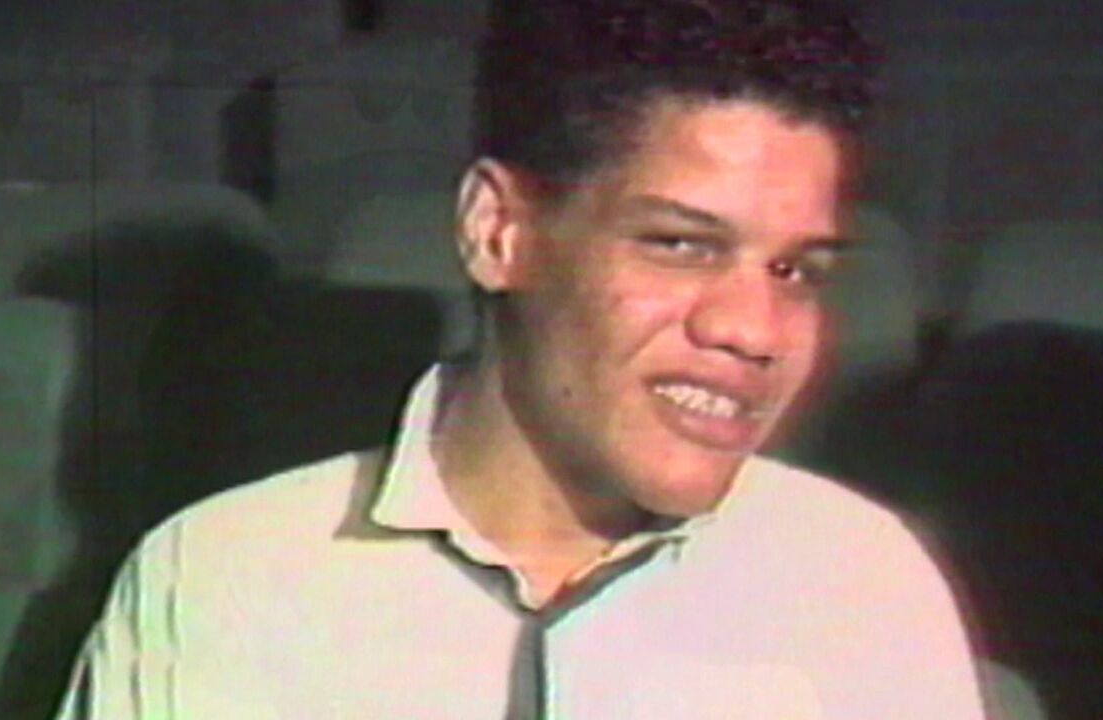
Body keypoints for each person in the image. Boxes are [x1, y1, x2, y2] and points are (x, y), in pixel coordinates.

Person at [55, 2, 986, 717]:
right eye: (680, 245)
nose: (757, 329)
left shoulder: (859, 583)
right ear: (497, 231)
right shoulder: (221, 578)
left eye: (796, 270)